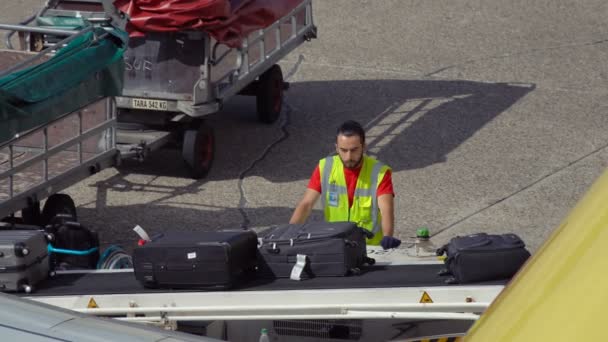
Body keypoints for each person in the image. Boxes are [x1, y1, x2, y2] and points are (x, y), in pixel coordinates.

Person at [290, 120, 402, 249]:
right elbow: (306, 204)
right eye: (343, 150)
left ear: (364, 146)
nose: (349, 156)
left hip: (369, 247)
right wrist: (290, 233)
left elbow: (386, 209)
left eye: (354, 150)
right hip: (336, 244)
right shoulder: (325, 167)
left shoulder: (379, 172)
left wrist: (387, 235)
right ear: (336, 147)